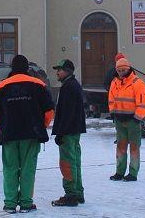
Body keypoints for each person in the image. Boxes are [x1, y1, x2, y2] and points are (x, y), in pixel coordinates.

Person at [0, 55, 55, 214]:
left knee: (10, 168)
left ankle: (10, 203)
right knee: (28, 169)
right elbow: (49, 110)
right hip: (31, 134)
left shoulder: (1, 87)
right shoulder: (39, 85)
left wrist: (3, 126)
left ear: (12, 68)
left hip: (9, 135)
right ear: (27, 68)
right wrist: (41, 126)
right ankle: (26, 203)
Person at [50, 59, 86, 207]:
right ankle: (78, 193)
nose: (57, 72)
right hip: (74, 130)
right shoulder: (73, 85)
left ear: (68, 72)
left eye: (60, 70)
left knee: (67, 162)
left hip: (68, 132)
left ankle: (71, 194)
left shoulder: (68, 87)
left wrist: (60, 132)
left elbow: (67, 113)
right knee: (75, 161)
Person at [107, 57, 145, 182]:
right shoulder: (114, 82)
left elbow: (143, 103)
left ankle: (133, 173)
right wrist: (113, 114)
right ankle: (119, 172)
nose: (121, 72)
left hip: (133, 121)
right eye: (119, 70)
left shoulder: (138, 83)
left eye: (123, 70)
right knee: (120, 147)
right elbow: (111, 100)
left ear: (129, 69)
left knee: (134, 148)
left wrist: (137, 118)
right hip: (120, 120)